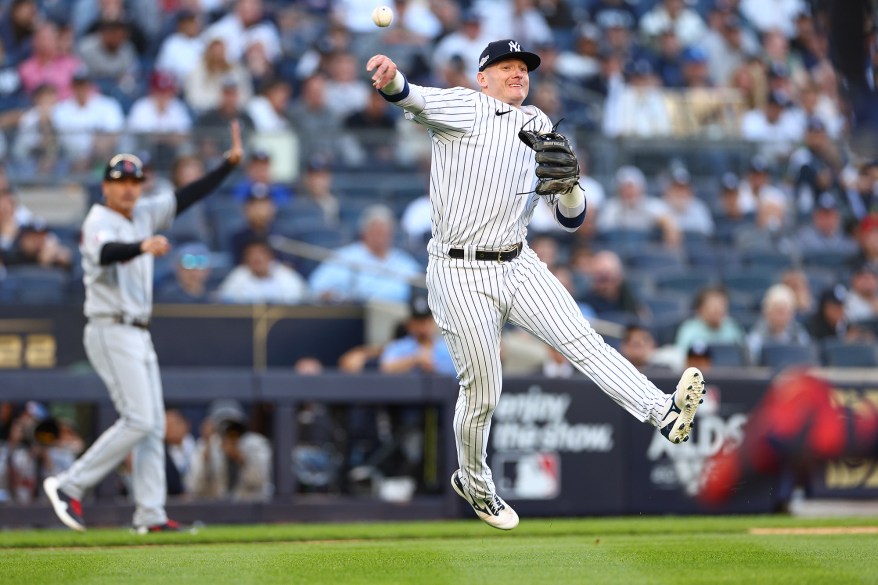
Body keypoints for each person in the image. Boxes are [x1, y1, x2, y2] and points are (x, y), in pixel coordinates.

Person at [367, 39, 705, 530]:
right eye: (505, 66)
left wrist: (569, 186)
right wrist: (391, 77)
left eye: (523, 67)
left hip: (517, 260)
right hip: (459, 269)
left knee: (584, 341)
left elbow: (572, 219)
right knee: (484, 389)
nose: (517, 74)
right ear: (484, 77)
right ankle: (474, 481)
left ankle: (665, 414)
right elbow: (411, 96)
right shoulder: (465, 104)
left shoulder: (539, 124)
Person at [42, 121, 243, 533]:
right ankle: (69, 485)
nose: (130, 188)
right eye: (121, 182)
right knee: (138, 420)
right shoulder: (100, 218)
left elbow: (186, 196)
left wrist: (226, 166)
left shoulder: (143, 213)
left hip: (137, 330)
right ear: (106, 187)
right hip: (109, 326)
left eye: (135, 180)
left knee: (151, 424)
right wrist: (142, 246)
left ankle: (149, 515)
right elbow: (106, 253)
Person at [700, 368, 878, 506]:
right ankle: (785, 497)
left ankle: (787, 495)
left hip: (822, 439)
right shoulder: (776, 421)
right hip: (790, 445)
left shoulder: (808, 406)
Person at [186, 399, 273, 502]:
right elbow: (196, 488)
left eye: (232, 424)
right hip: (217, 510)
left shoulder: (257, 444)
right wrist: (207, 450)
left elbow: (260, 482)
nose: (229, 430)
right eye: (223, 424)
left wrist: (240, 458)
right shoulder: (206, 445)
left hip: (252, 508)